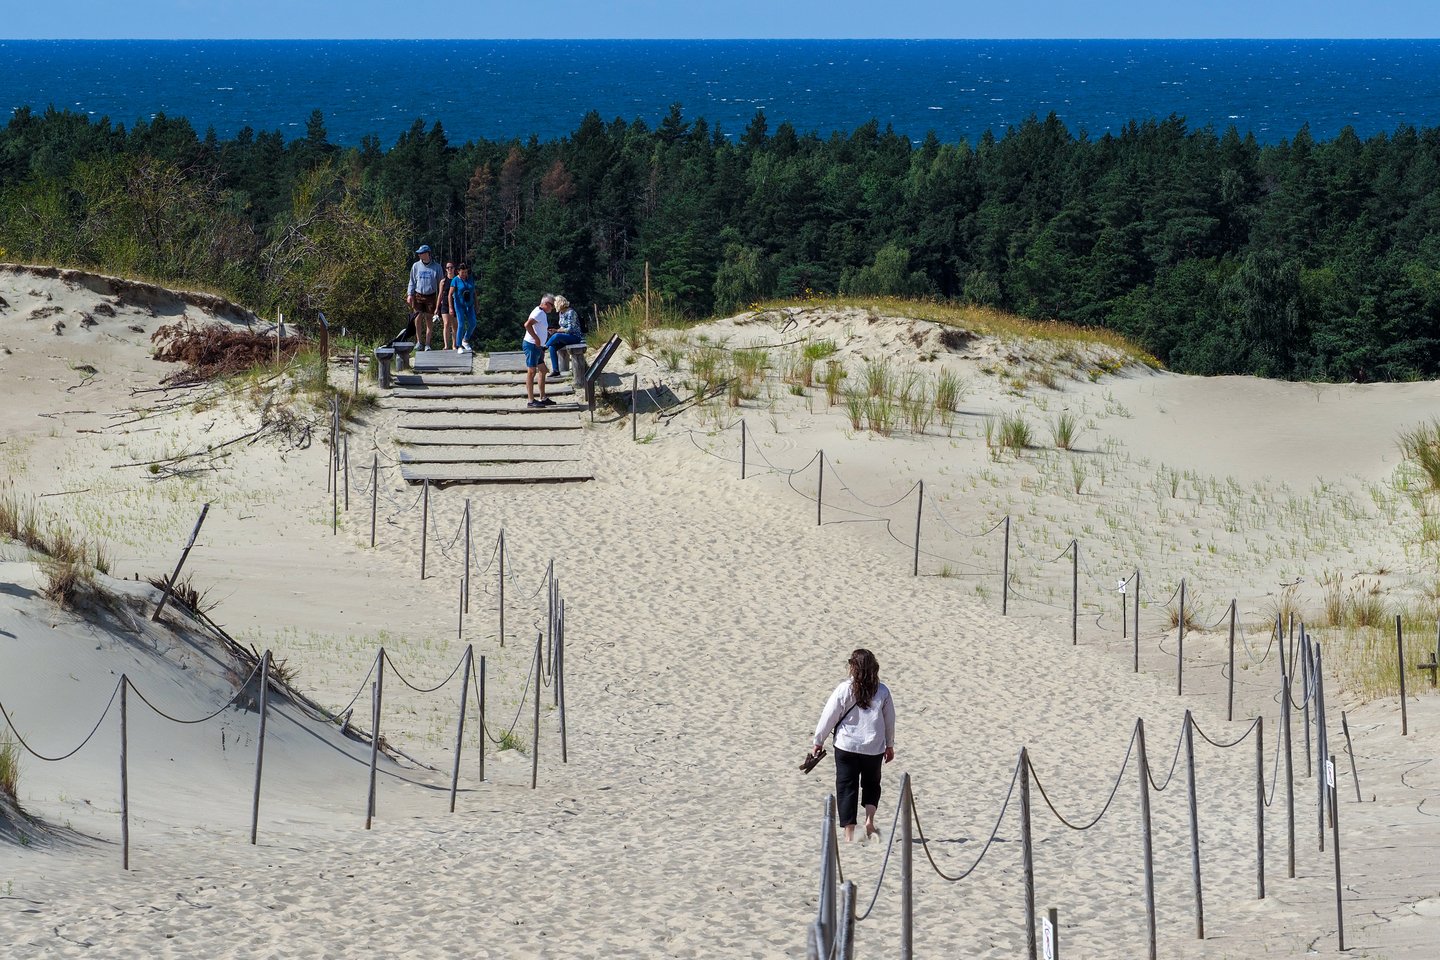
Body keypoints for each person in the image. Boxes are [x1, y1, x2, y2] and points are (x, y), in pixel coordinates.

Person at [810, 649, 895, 842]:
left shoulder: (844, 689)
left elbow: (829, 716)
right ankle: (869, 821)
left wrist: (818, 741)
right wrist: (889, 744)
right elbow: (889, 720)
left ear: (853, 668)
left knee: (846, 786)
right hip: (873, 747)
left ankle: (849, 833)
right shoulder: (882, 691)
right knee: (872, 784)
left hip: (846, 745)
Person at [405, 245, 442, 350]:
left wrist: (441, 298)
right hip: (418, 295)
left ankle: (427, 344)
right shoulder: (416, 266)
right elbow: (412, 281)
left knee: (429, 319)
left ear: (427, 253)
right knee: (417, 318)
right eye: (419, 253)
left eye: (421, 253)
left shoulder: (437, 267)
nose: (419, 255)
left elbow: (441, 283)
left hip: (431, 296)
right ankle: (419, 342)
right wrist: (409, 294)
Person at [522, 293, 556, 408]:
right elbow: (527, 325)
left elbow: (537, 327)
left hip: (538, 346)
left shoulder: (541, 312)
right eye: (552, 305)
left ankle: (543, 397)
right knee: (531, 372)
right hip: (532, 345)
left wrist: (546, 333)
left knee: (543, 370)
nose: (553, 308)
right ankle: (531, 400)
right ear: (546, 303)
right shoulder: (539, 313)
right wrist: (536, 338)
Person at [546, 295, 585, 376]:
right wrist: (555, 330)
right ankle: (556, 370)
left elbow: (570, 329)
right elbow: (562, 327)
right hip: (566, 336)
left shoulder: (571, 312)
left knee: (557, 336)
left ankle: (544, 347)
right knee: (552, 347)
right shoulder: (561, 313)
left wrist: (557, 331)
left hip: (575, 337)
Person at [450, 261, 478, 353]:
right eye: (462, 272)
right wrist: (451, 307)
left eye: (466, 272)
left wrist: (477, 305)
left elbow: (474, 292)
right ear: (458, 271)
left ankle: (465, 339)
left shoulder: (470, 279)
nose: (464, 274)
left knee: (473, 323)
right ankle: (459, 345)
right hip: (459, 305)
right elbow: (450, 294)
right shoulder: (455, 280)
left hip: (469, 305)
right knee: (461, 324)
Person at [436, 260, 457, 351]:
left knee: (455, 325)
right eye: (448, 268)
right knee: (446, 323)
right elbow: (440, 294)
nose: (450, 269)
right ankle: (446, 345)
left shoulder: (457, 280)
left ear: (454, 268)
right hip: (445, 304)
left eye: (451, 267)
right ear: (446, 269)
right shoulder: (443, 281)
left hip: (455, 304)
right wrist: (437, 307)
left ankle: (454, 345)